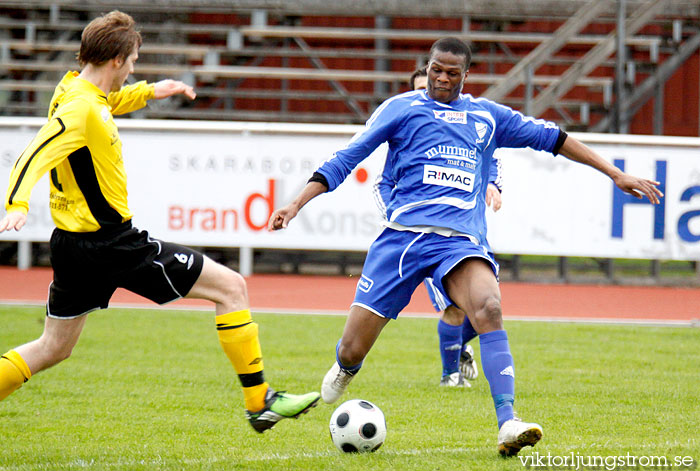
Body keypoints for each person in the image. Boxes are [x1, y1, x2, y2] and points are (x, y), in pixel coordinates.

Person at [268, 37, 662, 456]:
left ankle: (508, 421)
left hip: (460, 242)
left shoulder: (486, 116)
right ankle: (347, 368)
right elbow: (346, 159)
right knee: (352, 347)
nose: (441, 78)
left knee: (490, 308)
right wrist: (296, 203)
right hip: (402, 239)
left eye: (451, 73)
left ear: (466, 75)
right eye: (436, 69)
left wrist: (614, 173)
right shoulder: (401, 108)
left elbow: (555, 138)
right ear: (428, 66)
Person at [0, 10, 319, 433]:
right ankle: (260, 402)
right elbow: (33, 153)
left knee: (52, 348)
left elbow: (109, 99)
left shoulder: (73, 90)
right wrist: (17, 204)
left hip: (73, 243)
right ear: (116, 60)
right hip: (112, 244)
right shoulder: (82, 111)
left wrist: (152, 91)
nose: (133, 67)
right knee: (231, 287)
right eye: (132, 60)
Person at [393, 66, 504, 388]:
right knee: (456, 308)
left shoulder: (467, 126)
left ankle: (459, 350)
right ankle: (449, 376)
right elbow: (385, 183)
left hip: (467, 232)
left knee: (484, 306)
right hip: (425, 234)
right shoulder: (404, 134)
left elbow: (488, 158)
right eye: (418, 90)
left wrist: (492, 183)